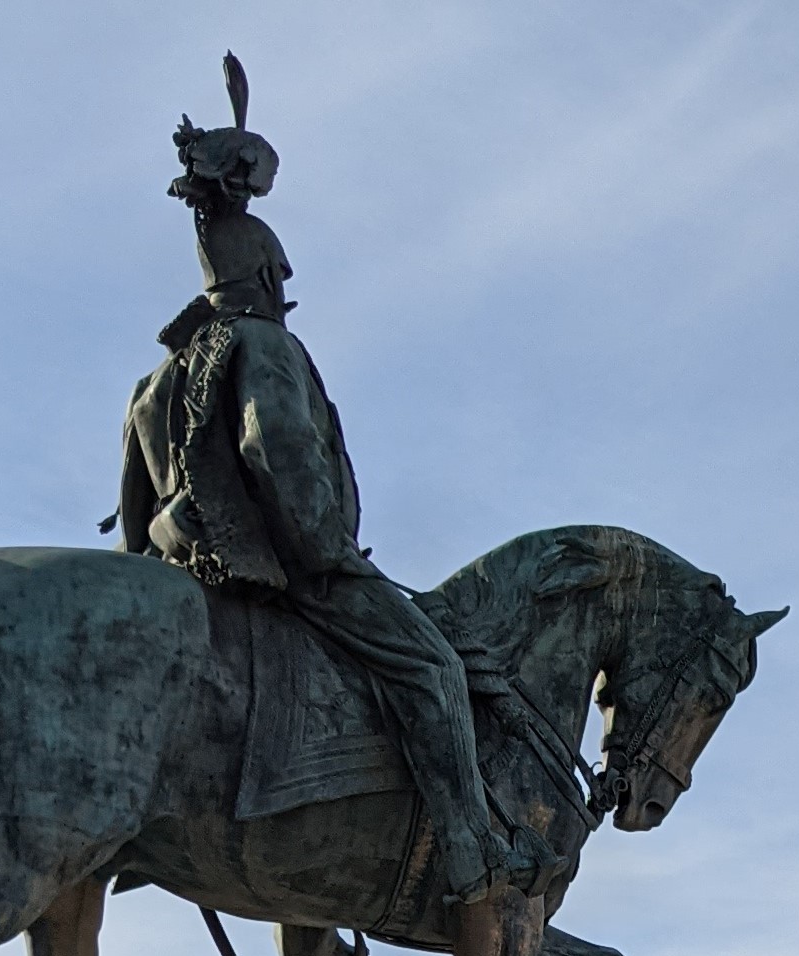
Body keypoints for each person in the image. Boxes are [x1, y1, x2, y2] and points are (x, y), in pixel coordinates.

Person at [116, 60, 529, 912]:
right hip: (288, 569)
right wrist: (332, 556)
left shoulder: (158, 380)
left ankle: (303, 923)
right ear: (262, 269)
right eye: (280, 270)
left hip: (185, 573)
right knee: (431, 669)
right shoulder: (266, 350)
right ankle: (471, 848)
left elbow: (132, 511)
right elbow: (282, 456)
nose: (286, 282)